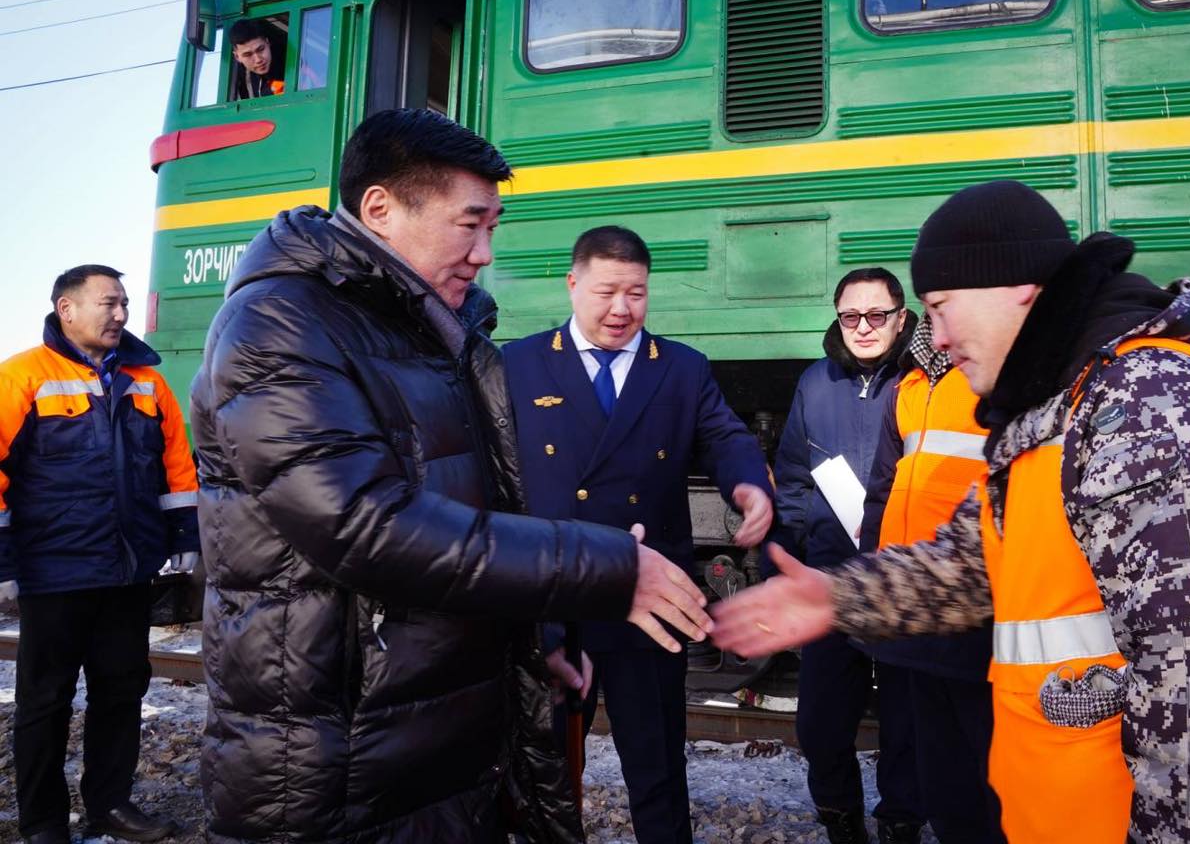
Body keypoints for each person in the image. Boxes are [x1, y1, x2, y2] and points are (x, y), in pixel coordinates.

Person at [712, 180, 1190, 843]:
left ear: (1015, 288)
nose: (936, 337)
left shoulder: (1148, 410)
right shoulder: (1060, 410)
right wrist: (839, 598)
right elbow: (977, 564)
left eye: (940, 308)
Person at [189, 109, 713, 844]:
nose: (484, 253)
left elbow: (476, 504)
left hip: (424, 721)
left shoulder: (437, 330)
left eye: (492, 227)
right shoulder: (279, 325)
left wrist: (530, 645)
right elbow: (367, 526)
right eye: (470, 225)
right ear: (380, 209)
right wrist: (605, 569)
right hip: (333, 745)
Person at [503, 225, 773, 844]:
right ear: (572, 285)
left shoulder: (680, 368)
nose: (622, 309)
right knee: (539, 761)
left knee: (655, 764)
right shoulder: (518, 363)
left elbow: (725, 436)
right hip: (549, 594)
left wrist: (748, 483)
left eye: (637, 293)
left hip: (650, 597)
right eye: (606, 292)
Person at [0, 265, 199, 844]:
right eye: (108, 303)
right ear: (67, 309)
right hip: (54, 570)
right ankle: (42, 824)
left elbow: (177, 467)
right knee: (46, 699)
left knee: (120, 689)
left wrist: (184, 539)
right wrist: (4, 563)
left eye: (125, 304)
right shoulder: (23, 378)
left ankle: (110, 805)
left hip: (128, 569)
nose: (120, 315)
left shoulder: (147, 383)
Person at [769, 268, 923, 844]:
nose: (863, 327)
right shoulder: (815, 383)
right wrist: (788, 557)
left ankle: (902, 820)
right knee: (820, 722)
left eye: (876, 315)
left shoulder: (922, 382)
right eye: (850, 316)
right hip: (832, 583)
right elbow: (792, 478)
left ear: (901, 318)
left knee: (906, 720)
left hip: (905, 582)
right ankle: (840, 818)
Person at [855, 313, 1001, 843]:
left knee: (985, 768)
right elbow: (883, 488)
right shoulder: (908, 384)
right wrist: (872, 578)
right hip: (911, 603)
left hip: (976, 607)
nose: (937, 326)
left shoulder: (993, 377)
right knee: (942, 772)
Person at [229, 18, 285, 99]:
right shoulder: (236, 80)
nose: (258, 59)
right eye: (248, 55)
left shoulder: (293, 61)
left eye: (261, 49)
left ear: (268, 42)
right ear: (237, 57)